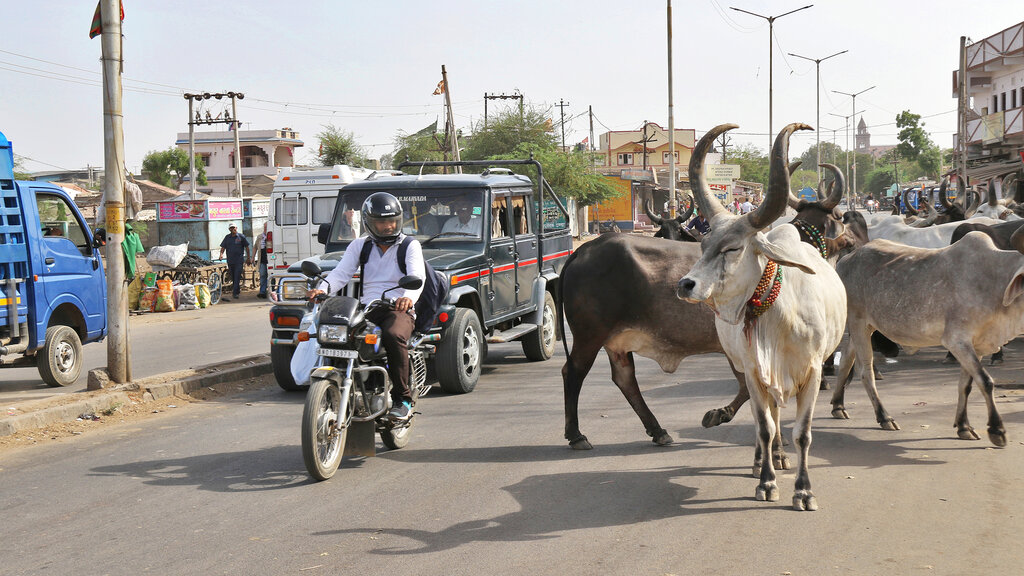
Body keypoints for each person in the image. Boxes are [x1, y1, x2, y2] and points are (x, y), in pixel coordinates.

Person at [308, 192, 425, 421]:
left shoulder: (410, 245)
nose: (388, 226)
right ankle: (340, 388)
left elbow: (417, 275)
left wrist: (408, 297)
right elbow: (341, 273)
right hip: (368, 308)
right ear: (369, 223)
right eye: (381, 222)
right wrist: (322, 289)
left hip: (397, 308)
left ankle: (403, 399)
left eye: (392, 221)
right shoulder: (360, 245)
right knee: (340, 334)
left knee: (393, 335)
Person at [218, 223, 251, 302]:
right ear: (229, 229)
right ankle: (237, 290)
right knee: (233, 276)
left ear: (236, 228)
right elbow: (223, 247)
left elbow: (247, 247)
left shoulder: (241, 237)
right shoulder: (227, 237)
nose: (233, 229)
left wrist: (248, 258)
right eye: (231, 228)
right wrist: (221, 254)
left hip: (239, 260)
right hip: (230, 260)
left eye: (234, 228)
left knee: (237, 275)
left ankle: (235, 293)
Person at [252, 222, 269, 298]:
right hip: (262, 259)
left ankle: (271, 291)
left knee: (271, 276)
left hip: (271, 260)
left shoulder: (273, 236)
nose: (266, 228)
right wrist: (253, 257)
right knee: (262, 275)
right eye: (265, 227)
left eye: (267, 227)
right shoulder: (260, 237)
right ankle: (262, 291)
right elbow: (255, 247)